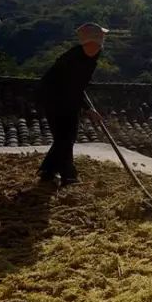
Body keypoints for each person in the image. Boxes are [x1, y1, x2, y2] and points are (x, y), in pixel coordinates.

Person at [36, 22, 107, 185]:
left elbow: (78, 87)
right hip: (55, 100)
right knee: (65, 139)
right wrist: (89, 109)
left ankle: (48, 171)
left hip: (67, 100)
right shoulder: (75, 59)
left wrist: (87, 107)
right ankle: (68, 175)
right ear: (93, 40)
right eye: (101, 37)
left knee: (64, 138)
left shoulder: (90, 56)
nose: (104, 40)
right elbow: (71, 87)